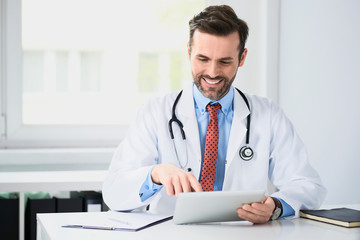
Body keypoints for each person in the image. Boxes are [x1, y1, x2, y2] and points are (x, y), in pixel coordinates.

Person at [102, 5, 326, 223]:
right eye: (203, 59)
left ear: (242, 57)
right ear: (189, 51)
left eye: (225, 61)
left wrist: (276, 207)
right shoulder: (155, 112)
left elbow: (308, 186)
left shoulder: (268, 115)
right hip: (173, 233)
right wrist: (155, 174)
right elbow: (114, 192)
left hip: (244, 233)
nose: (212, 72)